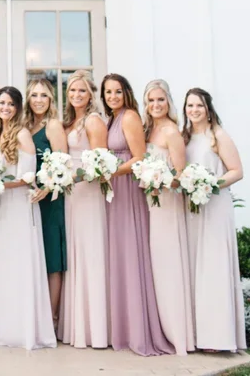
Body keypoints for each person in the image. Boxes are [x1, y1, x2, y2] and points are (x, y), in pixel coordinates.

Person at [102, 73, 172, 356]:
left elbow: (139, 157)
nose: (113, 97)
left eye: (117, 91)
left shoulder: (129, 116)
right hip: (114, 189)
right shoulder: (112, 118)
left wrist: (111, 171)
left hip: (128, 188)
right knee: (120, 255)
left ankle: (140, 331)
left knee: (131, 252)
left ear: (126, 93)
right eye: (108, 92)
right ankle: (124, 328)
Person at [0, 86, 56, 350]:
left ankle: (25, 329)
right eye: (2, 103)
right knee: (4, 264)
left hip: (18, 206)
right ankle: (5, 328)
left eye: (11, 104)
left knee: (20, 263)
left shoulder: (23, 133)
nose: (6, 108)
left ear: (17, 108)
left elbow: (28, 177)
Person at [182, 88, 245, 352]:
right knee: (196, 268)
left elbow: (237, 171)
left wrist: (210, 184)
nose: (194, 110)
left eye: (198, 105)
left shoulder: (217, 136)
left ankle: (218, 337)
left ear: (208, 108)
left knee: (214, 268)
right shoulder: (185, 137)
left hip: (215, 206)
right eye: (189, 105)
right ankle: (197, 334)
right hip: (192, 209)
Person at [141, 79, 194, 356]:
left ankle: (179, 332)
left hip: (168, 204)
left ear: (168, 102)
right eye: (151, 100)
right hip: (151, 204)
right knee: (157, 266)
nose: (155, 105)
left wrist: (161, 180)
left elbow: (181, 175)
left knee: (169, 265)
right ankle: (161, 326)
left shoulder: (172, 131)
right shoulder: (148, 129)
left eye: (160, 100)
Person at [58, 71, 109, 349]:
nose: (76, 95)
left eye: (81, 91)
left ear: (91, 94)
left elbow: (100, 164)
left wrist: (75, 177)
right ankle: (77, 326)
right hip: (71, 193)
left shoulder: (93, 120)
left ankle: (96, 329)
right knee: (75, 255)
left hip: (87, 192)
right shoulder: (71, 121)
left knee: (90, 253)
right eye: (72, 91)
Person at [24, 78, 68, 328]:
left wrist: (48, 187)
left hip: (50, 198)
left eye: (43, 95)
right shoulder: (25, 126)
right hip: (29, 199)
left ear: (51, 99)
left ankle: (51, 317)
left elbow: (62, 163)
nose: (39, 100)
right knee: (34, 254)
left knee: (52, 257)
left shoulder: (52, 126)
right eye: (34, 95)